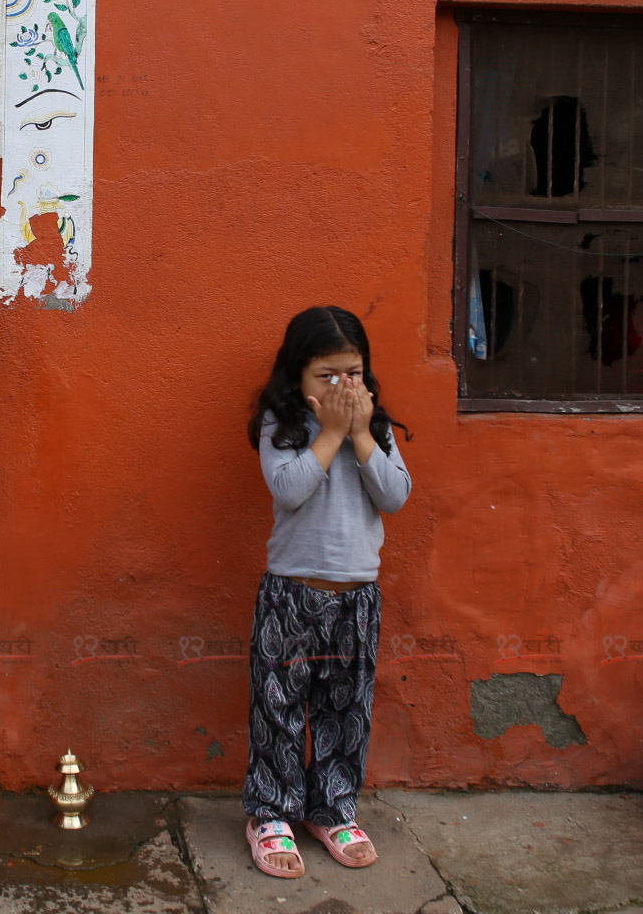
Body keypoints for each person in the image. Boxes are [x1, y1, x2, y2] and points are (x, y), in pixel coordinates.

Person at [242, 307, 413, 879]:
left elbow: (394, 496)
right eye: (327, 375)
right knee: (279, 709)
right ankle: (271, 813)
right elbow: (289, 489)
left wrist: (361, 433)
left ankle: (333, 809)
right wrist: (333, 432)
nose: (343, 387)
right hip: (292, 592)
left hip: (357, 597)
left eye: (354, 373)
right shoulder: (282, 424)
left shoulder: (377, 428)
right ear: (297, 376)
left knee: (345, 710)